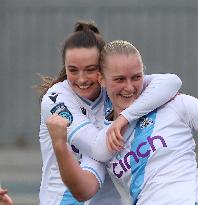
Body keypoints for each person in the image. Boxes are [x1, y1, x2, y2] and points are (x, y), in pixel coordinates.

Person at [46, 40, 198, 205]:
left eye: (136, 77)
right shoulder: (102, 138)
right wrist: (60, 146)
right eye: (119, 79)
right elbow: (82, 191)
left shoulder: (174, 104)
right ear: (101, 79)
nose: (129, 87)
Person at [38, 21, 182, 205]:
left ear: (102, 72)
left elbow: (171, 82)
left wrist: (124, 118)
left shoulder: (116, 89)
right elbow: (99, 150)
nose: (81, 79)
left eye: (90, 69)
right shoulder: (55, 99)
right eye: (72, 70)